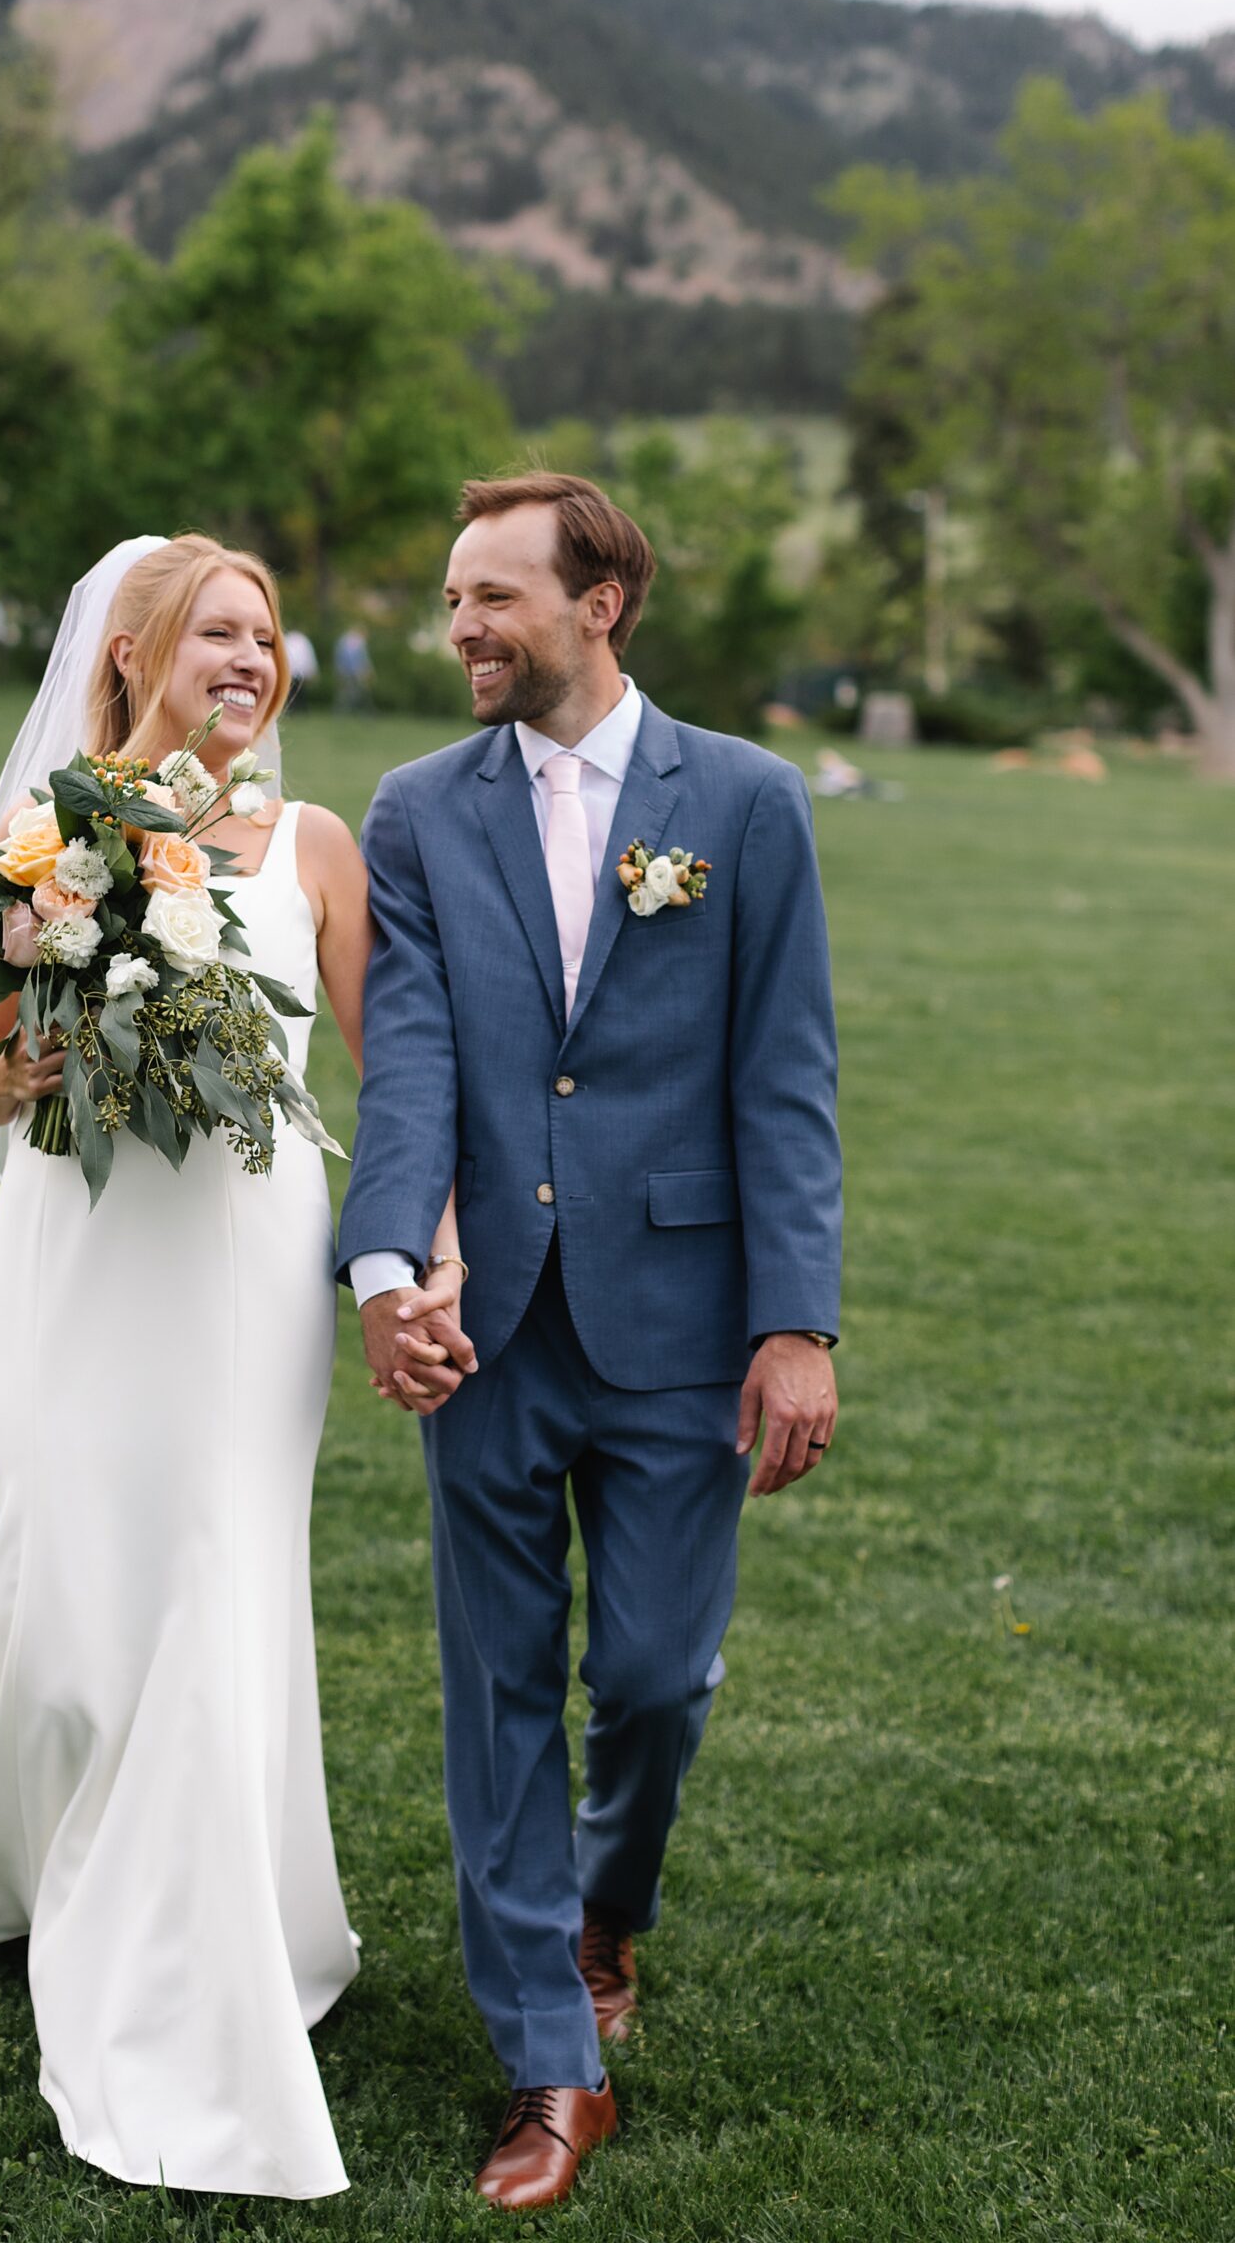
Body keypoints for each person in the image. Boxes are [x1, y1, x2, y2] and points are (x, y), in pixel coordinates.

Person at [0, 532, 467, 2199]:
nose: (249, 658)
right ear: (127, 656)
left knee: (208, 1569)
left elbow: (394, 1067)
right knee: (73, 1578)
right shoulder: (53, 836)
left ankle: (195, 1955)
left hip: (240, 1265)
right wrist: (44, 1053)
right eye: (216, 628)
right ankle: (23, 1824)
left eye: (265, 635)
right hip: (77, 1247)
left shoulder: (317, 846)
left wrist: (428, 1250)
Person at [338, 473, 842, 2212]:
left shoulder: (748, 805)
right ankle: (550, 2061)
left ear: (599, 600)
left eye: (493, 597)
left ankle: (609, 1907)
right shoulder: (412, 811)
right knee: (494, 1695)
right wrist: (393, 1267)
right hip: (485, 1330)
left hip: (682, 1320)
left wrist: (793, 1323)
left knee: (645, 1680)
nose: (460, 628)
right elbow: (403, 1057)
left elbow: (784, 1076)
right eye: (452, 599)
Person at [333, 623, 372, 711]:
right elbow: (361, 659)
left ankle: (350, 710)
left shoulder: (347, 641)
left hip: (352, 671)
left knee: (353, 692)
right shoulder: (348, 642)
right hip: (350, 671)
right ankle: (345, 710)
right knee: (347, 692)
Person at [284, 625, 319, 707]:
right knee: (298, 691)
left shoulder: (289, 639)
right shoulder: (303, 640)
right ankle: (299, 706)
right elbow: (308, 657)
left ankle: (295, 706)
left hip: (293, 670)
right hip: (298, 671)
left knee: (294, 691)